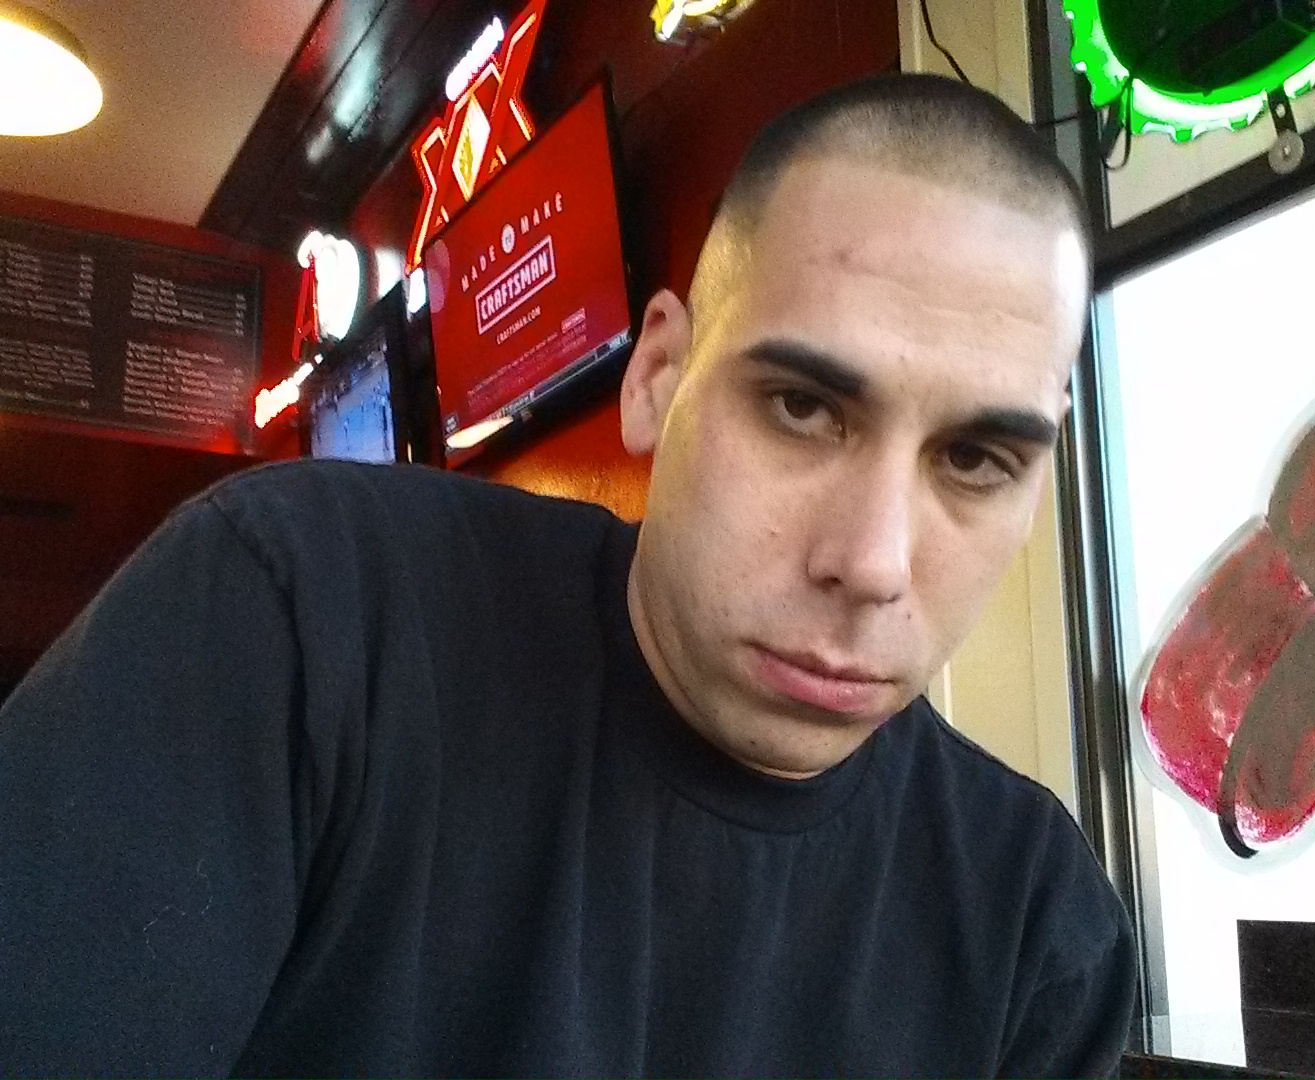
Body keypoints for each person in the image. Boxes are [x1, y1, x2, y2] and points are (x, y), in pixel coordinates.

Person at [0, 73, 1135, 1077]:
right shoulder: (299, 615)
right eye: (801, 407)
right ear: (657, 377)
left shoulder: (1036, 924)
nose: (873, 564)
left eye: (977, 459)